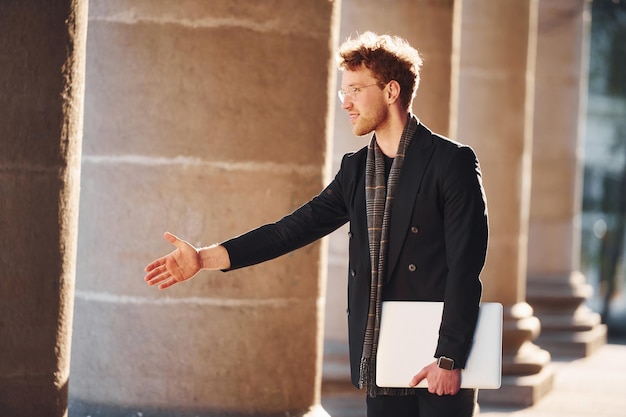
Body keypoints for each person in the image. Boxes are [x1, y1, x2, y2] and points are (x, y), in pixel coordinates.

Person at [144, 31, 488, 417]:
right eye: (345, 91)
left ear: (391, 92)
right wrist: (205, 259)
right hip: (382, 356)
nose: (346, 102)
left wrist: (448, 357)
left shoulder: (450, 162)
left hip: (437, 354)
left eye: (356, 89)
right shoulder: (356, 171)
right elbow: (292, 229)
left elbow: (465, 266)